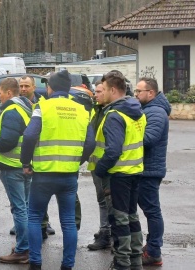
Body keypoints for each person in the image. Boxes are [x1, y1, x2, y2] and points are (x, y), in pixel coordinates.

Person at [20, 70, 94, 270]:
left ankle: (35, 263)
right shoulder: (82, 110)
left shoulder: (42, 107)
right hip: (69, 175)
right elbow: (90, 143)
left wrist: (26, 163)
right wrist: (77, 161)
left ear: (50, 88)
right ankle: (67, 265)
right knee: (68, 221)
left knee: (34, 217)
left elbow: (29, 136)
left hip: (43, 174)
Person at [90, 71, 146, 270]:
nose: (100, 93)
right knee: (131, 216)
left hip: (118, 175)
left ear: (113, 90)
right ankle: (136, 259)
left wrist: (100, 169)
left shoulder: (114, 115)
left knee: (120, 219)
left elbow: (113, 150)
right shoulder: (137, 111)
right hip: (135, 172)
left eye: (103, 89)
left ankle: (122, 262)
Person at [0, 78, 32, 264]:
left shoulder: (11, 111)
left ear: (9, 93)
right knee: (25, 208)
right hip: (25, 166)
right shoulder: (24, 107)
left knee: (19, 209)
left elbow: (6, 141)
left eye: (0, 92)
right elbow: (2, 131)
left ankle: (22, 251)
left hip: (12, 167)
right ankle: (25, 246)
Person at [135, 77, 170, 266]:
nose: (136, 94)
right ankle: (151, 247)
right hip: (147, 169)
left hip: (149, 170)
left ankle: (154, 251)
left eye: (139, 91)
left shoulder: (155, 111)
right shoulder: (149, 109)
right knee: (151, 211)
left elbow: (148, 139)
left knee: (152, 212)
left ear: (151, 93)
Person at [15, 75, 55, 238]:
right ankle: (21, 222)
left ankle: (44, 222)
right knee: (21, 195)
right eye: (21, 86)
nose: (23, 89)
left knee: (39, 193)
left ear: (34, 87)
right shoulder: (15, 103)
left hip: (39, 155)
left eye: (27, 86)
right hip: (20, 154)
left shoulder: (43, 103)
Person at [87, 80, 112, 251]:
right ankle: (105, 230)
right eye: (95, 91)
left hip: (107, 166)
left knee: (108, 202)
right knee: (102, 201)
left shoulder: (111, 113)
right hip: (97, 164)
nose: (95, 95)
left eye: (99, 92)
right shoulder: (97, 110)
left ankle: (107, 235)